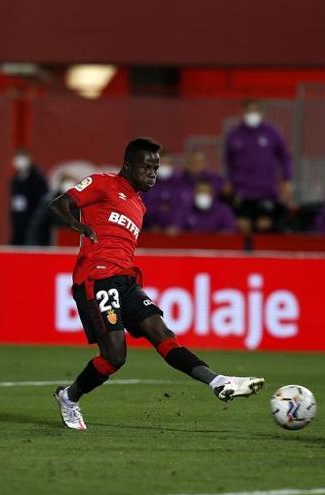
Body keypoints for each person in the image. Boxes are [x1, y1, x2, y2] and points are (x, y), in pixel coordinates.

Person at [48, 137, 265, 430]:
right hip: (97, 277)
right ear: (128, 166)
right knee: (114, 357)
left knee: (160, 330)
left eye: (156, 167)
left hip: (125, 280)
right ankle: (70, 398)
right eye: (147, 167)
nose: (153, 173)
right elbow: (60, 203)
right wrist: (79, 225)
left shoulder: (139, 205)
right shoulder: (102, 183)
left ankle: (217, 381)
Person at [224, 100, 293, 233]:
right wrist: (228, 180)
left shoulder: (272, 133)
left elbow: (285, 157)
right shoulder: (234, 135)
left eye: (255, 111)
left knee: (264, 225)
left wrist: (287, 179)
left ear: (261, 113)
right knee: (243, 225)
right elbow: (228, 162)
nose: (252, 114)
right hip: (242, 190)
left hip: (266, 190)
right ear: (242, 112)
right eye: (249, 111)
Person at [9, 149, 49, 245]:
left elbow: (43, 200)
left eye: (22, 158)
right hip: (18, 219)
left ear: (29, 159)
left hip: (33, 219)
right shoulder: (15, 179)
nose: (19, 162)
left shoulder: (37, 178)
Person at [142, 152, 188, 232]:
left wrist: (176, 225)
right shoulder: (146, 183)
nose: (164, 166)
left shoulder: (180, 182)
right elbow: (144, 205)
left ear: (172, 165)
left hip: (175, 232)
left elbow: (182, 206)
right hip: (150, 231)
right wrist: (151, 224)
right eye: (161, 163)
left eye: (167, 163)